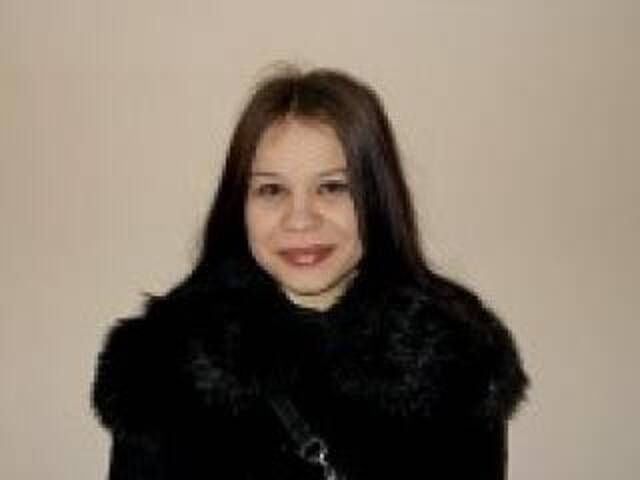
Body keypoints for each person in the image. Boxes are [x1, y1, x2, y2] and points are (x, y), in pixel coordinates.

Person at [92, 66, 529, 480]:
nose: (300, 219)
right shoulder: (161, 367)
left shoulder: (455, 362)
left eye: (333, 187)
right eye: (272, 190)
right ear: (239, 205)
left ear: (377, 197)